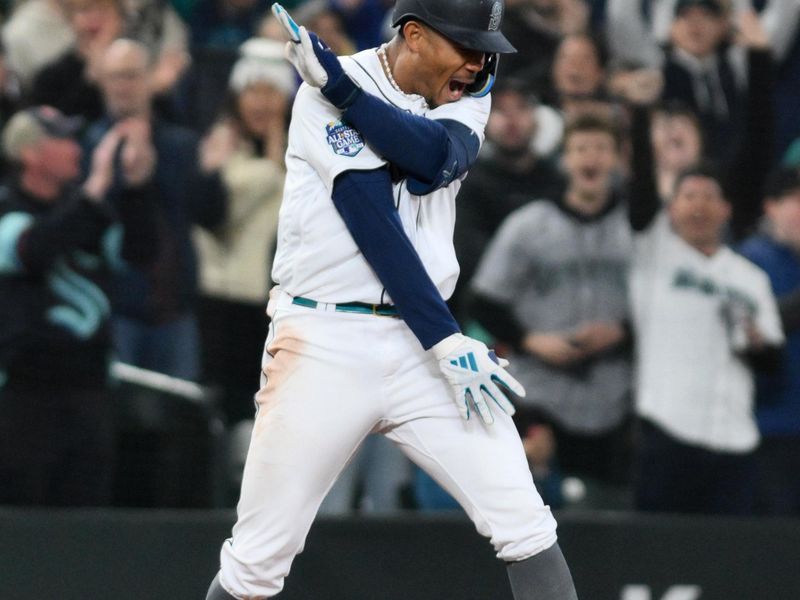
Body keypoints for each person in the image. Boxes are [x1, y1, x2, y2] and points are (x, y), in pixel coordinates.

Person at [206, 0, 578, 598]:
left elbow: (439, 157)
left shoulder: (448, 87)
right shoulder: (318, 90)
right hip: (324, 342)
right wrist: (446, 335)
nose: (480, 63)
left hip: (424, 347)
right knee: (256, 562)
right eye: (464, 46)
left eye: (486, 49)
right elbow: (372, 221)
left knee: (526, 523)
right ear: (414, 36)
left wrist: (346, 97)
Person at [0, 105, 158, 505]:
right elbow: (32, 250)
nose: (76, 148)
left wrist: (138, 188)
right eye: (64, 139)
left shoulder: (88, 208)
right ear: (31, 153)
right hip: (25, 390)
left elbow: (141, 253)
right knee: (24, 513)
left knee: (85, 515)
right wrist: (94, 190)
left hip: (89, 387)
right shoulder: (9, 207)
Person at [469, 114, 634, 488]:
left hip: (616, 398)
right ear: (565, 160)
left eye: (601, 149)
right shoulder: (529, 224)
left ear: (616, 161)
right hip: (539, 398)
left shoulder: (634, 230)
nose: (590, 158)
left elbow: (661, 308)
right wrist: (531, 340)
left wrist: (622, 333)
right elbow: (484, 302)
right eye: (580, 149)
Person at [85, 38, 226, 381]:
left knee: (178, 423)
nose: (123, 86)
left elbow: (211, 215)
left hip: (175, 310)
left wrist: (209, 175)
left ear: (150, 78)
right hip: (116, 309)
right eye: (115, 77)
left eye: (131, 75)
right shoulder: (90, 145)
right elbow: (91, 219)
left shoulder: (181, 143)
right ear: (102, 82)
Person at [194, 37, 294, 425]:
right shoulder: (221, 144)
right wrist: (270, 168)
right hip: (223, 297)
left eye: (272, 92)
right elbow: (212, 213)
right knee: (227, 409)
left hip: (274, 301)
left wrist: (276, 156)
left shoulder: (299, 150)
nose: (262, 102)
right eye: (253, 90)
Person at [450, 77, 562, 323]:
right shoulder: (467, 183)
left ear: (538, 117)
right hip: (486, 314)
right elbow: (470, 259)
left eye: (521, 107)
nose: (512, 120)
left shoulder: (558, 180)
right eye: (500, 110)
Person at [738, 167, 800, 515]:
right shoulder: (750, 259)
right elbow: (759, 324)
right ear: (771, 207)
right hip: (772, 429)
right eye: (797, 200)